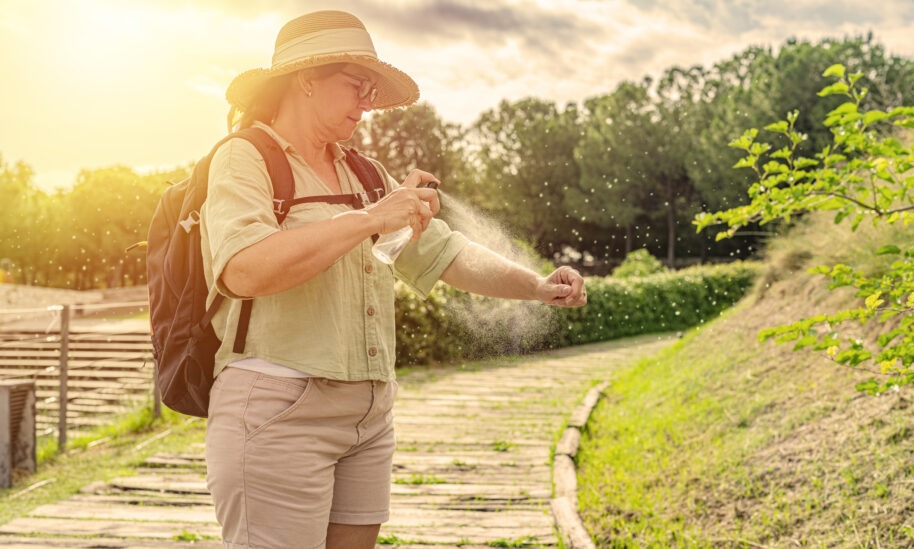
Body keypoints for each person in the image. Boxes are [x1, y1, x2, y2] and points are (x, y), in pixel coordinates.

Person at [201, 9, 587, 549]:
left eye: (370, 90)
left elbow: (444, 253)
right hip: (278, 411)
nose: (365, 103)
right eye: (355, 86)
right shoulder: (246, 159)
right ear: (306, 79)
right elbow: (243, 268)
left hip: (369, 414)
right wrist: (370, 219)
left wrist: (535, 286)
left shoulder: (364, 173)